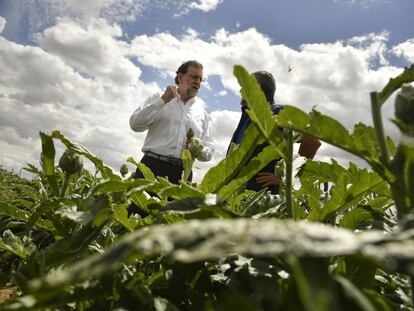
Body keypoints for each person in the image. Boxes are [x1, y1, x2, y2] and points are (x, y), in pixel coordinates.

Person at [129, 60, 215, 214]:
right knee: (137, 215)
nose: (197, 82)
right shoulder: (159, 98)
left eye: (200, 79)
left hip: (182, 174)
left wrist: (196, 149)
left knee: (169, 226)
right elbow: (135, 125)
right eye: (194, 77)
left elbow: (209, 150)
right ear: (181, 77)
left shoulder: (203, 114)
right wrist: (163, 101)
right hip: (152, 166)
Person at [227, 71, 320, 194]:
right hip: (236, 193)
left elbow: (312, 141)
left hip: (262, 196)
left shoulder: (280, 113)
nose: (241, 90)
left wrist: (287, 175)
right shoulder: (247, 117)